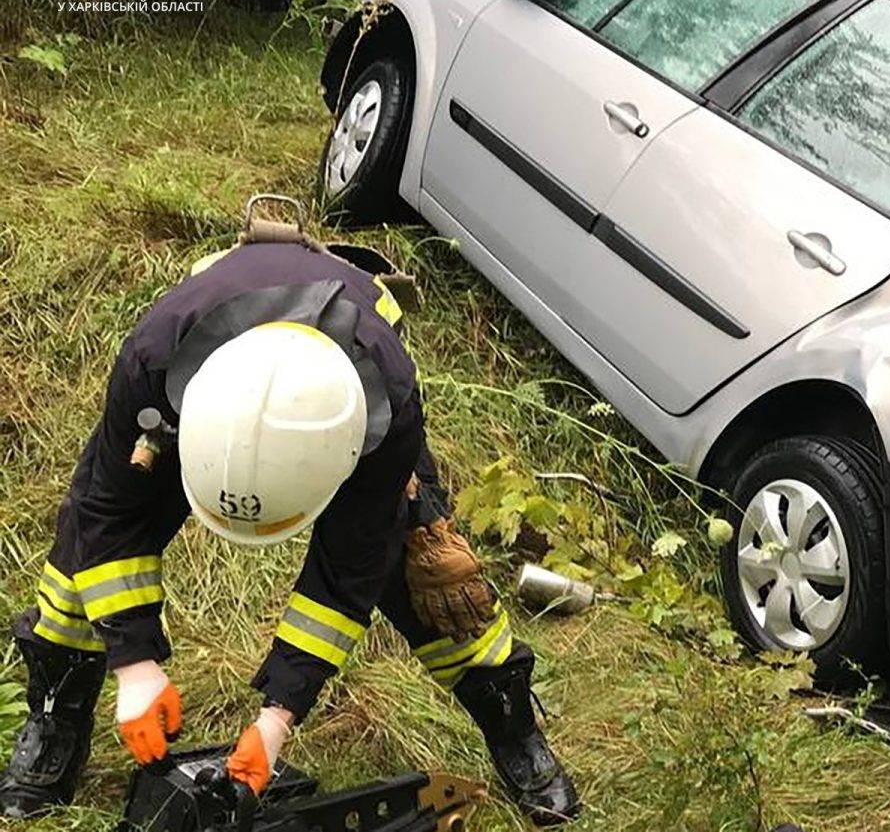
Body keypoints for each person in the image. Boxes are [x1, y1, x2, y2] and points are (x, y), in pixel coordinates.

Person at [0, 203, 581, 825]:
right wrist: (134, 665)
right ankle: (55, 722)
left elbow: (348, 571)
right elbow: (109, 514)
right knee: (76, 569)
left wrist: (277, 718)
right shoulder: (152, 360)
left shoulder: (387, 416)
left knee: (432, 576)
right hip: (196, 389)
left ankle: (513, 727)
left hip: (354, 394)